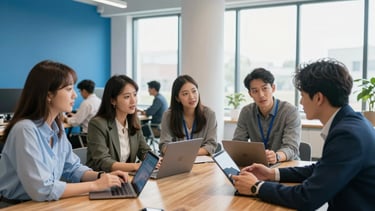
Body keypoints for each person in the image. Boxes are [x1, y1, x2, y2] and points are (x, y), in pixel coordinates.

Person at [232, 58, 375, 210]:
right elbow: (320, 168)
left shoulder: (347, 135)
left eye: (303, 95)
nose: (301, 102)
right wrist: (271, 174)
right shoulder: (351, 124)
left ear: (318, 98)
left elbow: (307, 198)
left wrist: (256, 187)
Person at [0, 60, 127, 208]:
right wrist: (95, 185)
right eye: (68, 89)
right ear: (49, 95)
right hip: (15, 206)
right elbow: (42, 189)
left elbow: (72, 168)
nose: (74, 95)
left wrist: (102, 176)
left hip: (42, 203)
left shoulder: (56, 128)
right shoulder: (25, 129)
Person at [86, 75, 154, 173]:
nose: (133, 100)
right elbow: (103, 161)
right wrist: (135, 166)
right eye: (127, 97)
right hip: (101, 180)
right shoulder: (98, 124)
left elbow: (143, 150)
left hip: (125, 178)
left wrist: (153, 160)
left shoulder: (134, 121)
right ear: (113, 100)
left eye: (134, 95)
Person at [233, 68, 301, 164]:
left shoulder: (290, 111)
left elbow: (291, 147)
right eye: (255, 91)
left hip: (285, 165)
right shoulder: (246, 112)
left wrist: (276, 156)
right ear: (250, 94)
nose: (261, 95)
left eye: (265, 88)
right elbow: (238, 144)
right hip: (258, 165)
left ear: (273, 88)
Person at [159, 75, 218, 156]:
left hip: (201, 162)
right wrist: (181, 156)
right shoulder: (168, 116)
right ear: (177, 98)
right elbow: (164, 145)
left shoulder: (209, 114)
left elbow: (211, 145)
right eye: (185, 94)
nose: (192, 97)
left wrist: (187, 154)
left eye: (194, 91)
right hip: (176, 161)